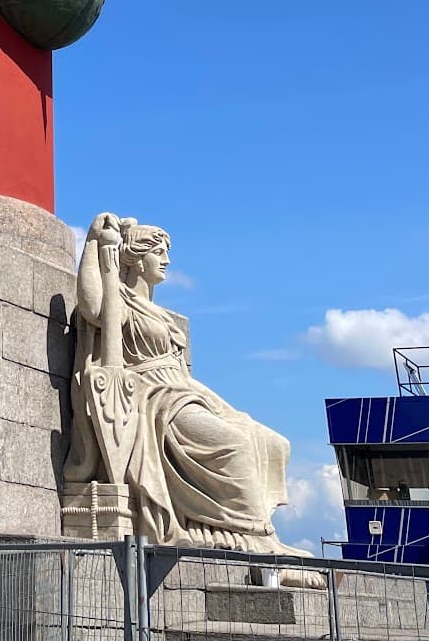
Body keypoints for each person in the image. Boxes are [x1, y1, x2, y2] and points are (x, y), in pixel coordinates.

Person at [64, 212, 305, 556]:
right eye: (158, 252)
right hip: (153, 397)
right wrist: (92, 245)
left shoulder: (161, 314)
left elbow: (183, 376)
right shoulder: (121, 301)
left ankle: (257, 536)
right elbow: (93, 306)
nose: (167, 260)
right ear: (136, 257)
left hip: (184, 392)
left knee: (271, 442)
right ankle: (253, 539)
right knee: (234, 445)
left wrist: (227, 408)